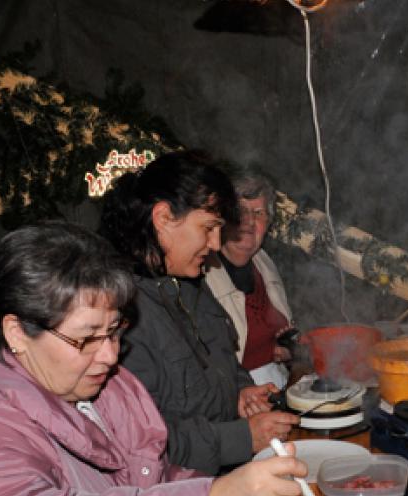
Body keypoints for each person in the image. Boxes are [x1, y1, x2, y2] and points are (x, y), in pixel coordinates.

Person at [0, 222, 307, 496]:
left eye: (114, 332)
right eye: (87, 338)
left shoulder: (98, 385)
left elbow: (148, 474)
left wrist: (222, 491)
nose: (110, 355)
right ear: (17, 333)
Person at [100, 150, 299, 476]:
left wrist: (239, 393)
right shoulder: (120, 313)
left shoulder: (186, 280)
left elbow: (220, 360)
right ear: (163, 218)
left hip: (224, 477)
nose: (217, 242)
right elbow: (144, 439)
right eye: (208, 228)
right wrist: (241, 438)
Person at [205, 165, 294, 389]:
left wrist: (288, 347)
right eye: (240, 210)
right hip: (235, 401)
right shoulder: (200, 272)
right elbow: (207, 362)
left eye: (259, 213)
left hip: (279, 386)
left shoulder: (263, 263)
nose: (250, 221)